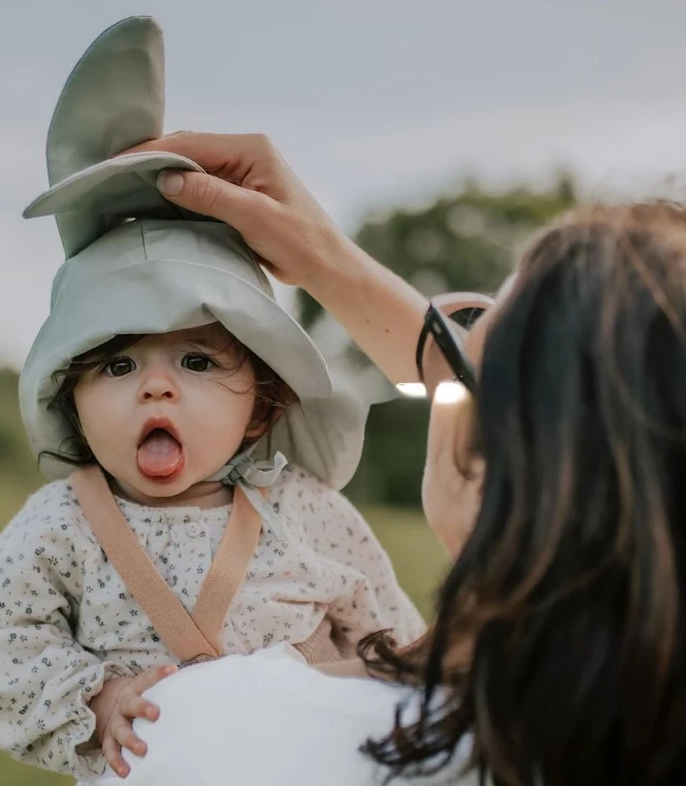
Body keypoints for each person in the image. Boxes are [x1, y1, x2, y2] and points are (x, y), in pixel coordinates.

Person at [103, 130, 686, 785]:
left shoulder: (206, 732)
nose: (437, 336)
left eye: (468, 336)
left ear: (487, 465)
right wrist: (324, 259)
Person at [0, 19, 423, 783]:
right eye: (118, 363)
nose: (155, 385)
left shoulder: (303, 510)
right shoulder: (64, 523)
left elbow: (388, 633)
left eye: (197, 360)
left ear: (261, 406)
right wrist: (95, 701)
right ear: (71, 396)